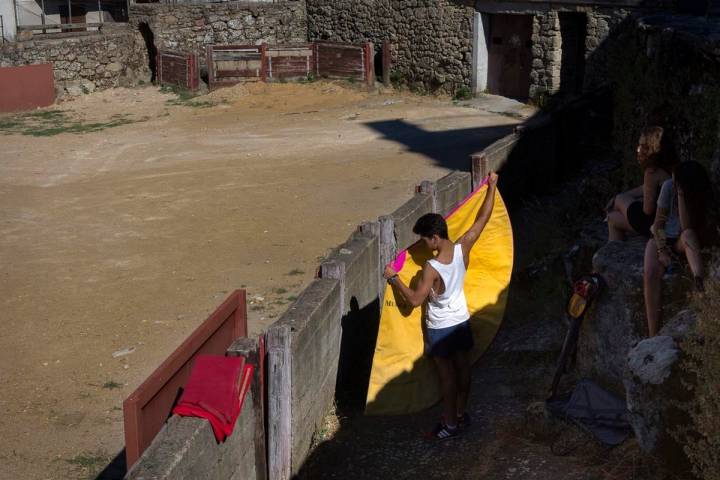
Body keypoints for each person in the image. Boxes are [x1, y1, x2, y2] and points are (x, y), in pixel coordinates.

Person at [383, 172, 498, 439]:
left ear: (434, 237)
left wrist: (394, 278)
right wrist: (492, 186)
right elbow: (483, 217)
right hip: (461, 319)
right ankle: (459, 413)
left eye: (424, 240)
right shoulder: (463, 247)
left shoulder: (431, 267)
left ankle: (449, 425)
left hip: (441, 328)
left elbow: (413, 301)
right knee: (464, 368)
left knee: (447, 377)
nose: (423, 245)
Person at [643, 160, 713, 337]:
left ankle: (698, 281)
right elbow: (658, 224)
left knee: (688, 234)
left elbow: (686, 227)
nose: (672, 182)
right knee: (650, 272)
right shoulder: (668, 187)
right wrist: (661, 250)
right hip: (664, 238)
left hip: (684, 239)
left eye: (676, 182)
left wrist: (681, 196)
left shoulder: (697, 193)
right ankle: (653, 336)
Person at [607, 127, 675, 241]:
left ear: (649, 149)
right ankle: (615, 254)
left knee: (618, 199)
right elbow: (644, 188)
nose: (638, 149)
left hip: (655, 225)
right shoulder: (668, 168)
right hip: (664, 222)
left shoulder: (651, 172)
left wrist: (621, 199)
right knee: (612, 218)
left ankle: (615, 254)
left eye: (641, 146)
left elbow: (647, 210)